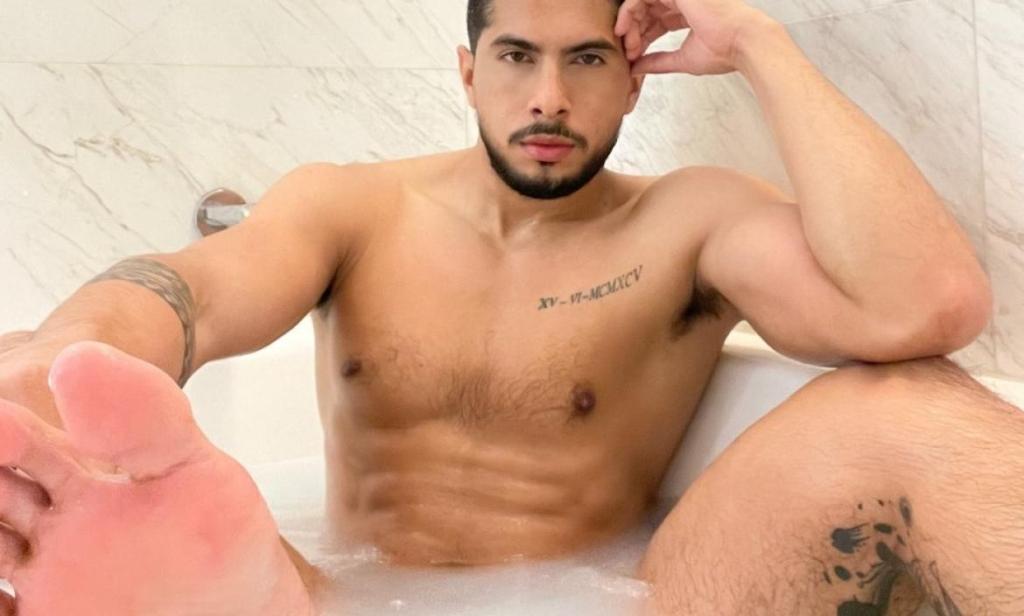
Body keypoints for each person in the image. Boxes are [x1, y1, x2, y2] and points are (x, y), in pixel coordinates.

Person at [0, 0, 1020, 613]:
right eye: (517, 55)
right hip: (333, 595)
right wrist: (61, 351)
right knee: (74, 425)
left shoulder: (689, 224)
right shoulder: (349, 206)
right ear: (467, 71)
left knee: (909, 409)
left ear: (636, 81)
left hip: (613, 598)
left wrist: (759, 42)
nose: (548, 98)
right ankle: (225, 591)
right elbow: (194, 292)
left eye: (587, 58)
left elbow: (924, 306)